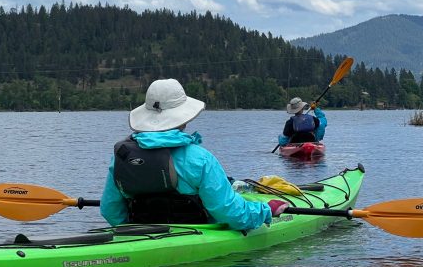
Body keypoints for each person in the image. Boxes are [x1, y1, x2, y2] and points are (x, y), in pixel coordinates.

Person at [101, 78, 288, 229]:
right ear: (183, 119)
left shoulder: (122, 157)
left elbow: (110, 210)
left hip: (142, 236)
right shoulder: (200, 159)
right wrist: (264, 211)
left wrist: (134, 234)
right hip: (196, 235)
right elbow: (229, 212)